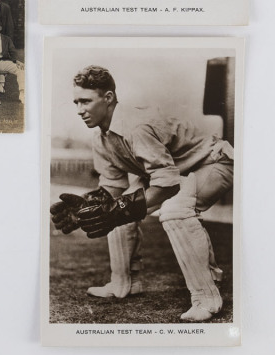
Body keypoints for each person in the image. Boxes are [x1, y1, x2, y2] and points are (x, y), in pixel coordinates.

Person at [51, 66, 233, 322]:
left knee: (174, 210)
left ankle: (207, 298)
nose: (80, 110)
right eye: (76, 102)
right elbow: (112, 188)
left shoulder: (135, 126)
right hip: (176, 170)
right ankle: (123, 283)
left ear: (109, 98)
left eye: (86, 101)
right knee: (112, 209)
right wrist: (92, 204)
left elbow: (167, 185)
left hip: (214, 162)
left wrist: (119, 208)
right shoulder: (101, 139)